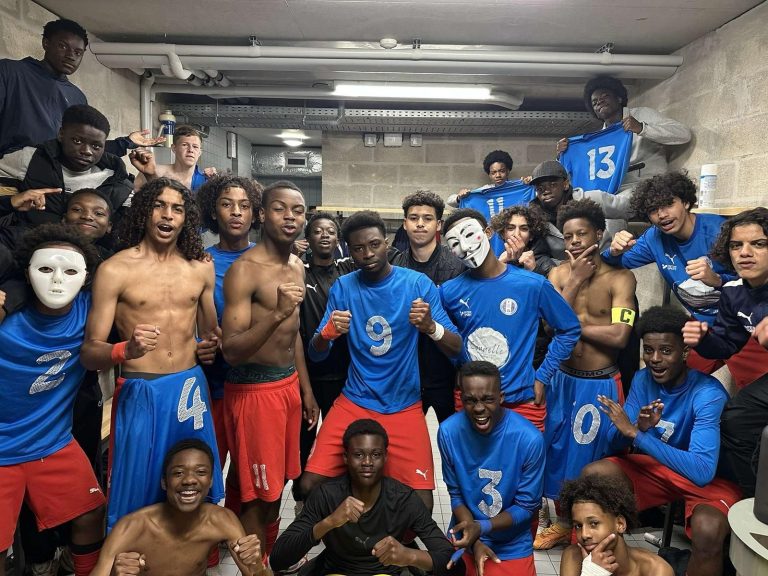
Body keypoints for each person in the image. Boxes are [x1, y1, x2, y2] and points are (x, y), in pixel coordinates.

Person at [81, 177, 224, 531]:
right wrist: (124, 349)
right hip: (141, 389)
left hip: (190, 387)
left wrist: (211, 346)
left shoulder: (200, 267)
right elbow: (89, 352)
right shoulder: (115, 269)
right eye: (159, 205)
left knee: (193, 480)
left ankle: (195, 556)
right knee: (137, 488)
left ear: (186, 218)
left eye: (177, 209)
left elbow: (211, 333)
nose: (168, 215)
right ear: (144, 212)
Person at [302, 210, 462, 511]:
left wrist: (431, 327)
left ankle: (391, 538)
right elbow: (315, 353)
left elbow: (456, 348)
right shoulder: (344, 287)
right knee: (309, 485)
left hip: (403, 404)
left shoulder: (417, 284)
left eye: (374, 245)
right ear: (348, 251)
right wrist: (327, 333)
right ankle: (346, 532)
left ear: (386, 243)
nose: (367, 254)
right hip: (355, 401)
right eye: (358, 248)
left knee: (422, 504)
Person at [584, 306, 741, 576]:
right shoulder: (643, 379)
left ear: (685, 351)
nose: (655, 359)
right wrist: (636, 427)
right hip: (659, 470)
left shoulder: (707, 393)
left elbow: (702, 471)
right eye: (648, 350)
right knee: (595, 475)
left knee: (708, 529)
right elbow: (613, 445)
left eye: (666, 351)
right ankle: (604, 569)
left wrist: (638, 435)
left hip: (707, 480)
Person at [221, 180, 319, 560]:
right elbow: (231, 350)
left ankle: (270, 559)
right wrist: (276, 313)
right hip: (254, 392)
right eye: (280, 209)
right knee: (257, 491)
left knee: (277, 483)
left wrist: (306, 391)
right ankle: (256, 565)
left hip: (288, 387)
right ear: (262, 215)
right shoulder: (244, 271)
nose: (290, 217)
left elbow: (293, 336)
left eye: (298, 210)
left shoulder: (295, 264)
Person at [0, 223, 105, 576]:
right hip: (1, 450)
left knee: (91, 513)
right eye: (45, 268)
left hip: (52, 442)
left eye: (70, 271)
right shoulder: (7, 318)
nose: (57, 280)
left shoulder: (89, 312)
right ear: (27, 273)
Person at [603, 171, 768, 390]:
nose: (662, 215)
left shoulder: (720, 231)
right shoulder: (654, 237)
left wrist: (718, 280)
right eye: (653, 209)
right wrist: (613, 251)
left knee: (754, 395)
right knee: (671, 380)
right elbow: (613, 264)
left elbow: (755, 281)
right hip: (701, 327)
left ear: (686, 202)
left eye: (668, 204)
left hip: (741, 327)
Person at [535, 200, 636, 550]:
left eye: (582, 233)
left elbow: (620, 335)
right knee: (553, 448)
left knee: (588, 456)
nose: (575, 241)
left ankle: (581, 524)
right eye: (568, 236)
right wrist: (575, 280)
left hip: (600, 382)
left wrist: (574, 325)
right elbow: (550, 326)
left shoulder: (621, 278)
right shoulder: (558, 275)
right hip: (562, 378)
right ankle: (557, 518)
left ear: (599, 233)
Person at [440, 208, 581, 432]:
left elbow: (569, 329)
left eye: (469, 235)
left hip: (521, 400)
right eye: (455, 243)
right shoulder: (449, 292)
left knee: (527, 454)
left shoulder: (532, 284)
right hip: (472, 399)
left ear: (488, 232)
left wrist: (543, 376)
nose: (464, 247)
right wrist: (458, 366)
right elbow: (447, 340)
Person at [272, 419, 463, 576]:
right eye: (358, 455)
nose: (367, 462)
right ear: (346, 457)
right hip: (336, 571)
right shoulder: (326, 495)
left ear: (385, 457)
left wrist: (409, 556)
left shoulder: (403, 499)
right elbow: (278, 559)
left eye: (376, 454)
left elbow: (455, 565)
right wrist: (329, 522)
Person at [682, 207, 768, 498]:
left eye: (758, 244)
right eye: (736, 245)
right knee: (735, 421)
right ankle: (755, 500)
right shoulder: (733, 291)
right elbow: (728, 343)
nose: (745, 253)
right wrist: (703, 339)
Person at [89, 439, 263, 576]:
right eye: (178, 473)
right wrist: (114, 574)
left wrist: (257, 566)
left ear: (210, 481)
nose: (189, 480)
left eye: (201, 472)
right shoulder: (131, 528)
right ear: (164, 482)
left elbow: (256, 573)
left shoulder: (221, 521)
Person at [438, 361, 544, 576]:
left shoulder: (529, 439)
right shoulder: (448, 432)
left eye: (488, 399)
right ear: (461, 398)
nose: (479, 408)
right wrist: (474, 537)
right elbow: (456, 495)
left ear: (501, 397)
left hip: (511, 541)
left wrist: (482, 528)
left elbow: (526, 507)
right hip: (465, 530)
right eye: (470, 400)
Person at [0, 18, 162, 158]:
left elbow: (82, 149)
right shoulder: (10, 72)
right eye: (63, 46)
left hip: (55, 176)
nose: (71, 56)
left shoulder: (76, 96)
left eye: (78, 52)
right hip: (11, 170)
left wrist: (126, 142)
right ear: (46, 43)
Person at [557, 75, 691, 240]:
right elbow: (584, 170)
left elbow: (684, 134)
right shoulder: (600, 136)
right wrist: (562, 155)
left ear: (619, 98)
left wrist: (642, 128)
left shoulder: (642, 115)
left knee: (601, 204)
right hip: (614, 191)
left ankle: (579, 200)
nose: (599, 102)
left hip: (645, 186)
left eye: (604, 96)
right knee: (603, 221)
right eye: (594, 102)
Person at [0, 104, 133, 255]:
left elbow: (135, 232)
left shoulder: (117, 182)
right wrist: (11, 201)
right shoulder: (30, 159)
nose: (87, 151)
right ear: (61, 134)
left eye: (96, 146)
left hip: (87, 261)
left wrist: (150, 176)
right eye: (77, 141)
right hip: (24, 253)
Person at [196, 175, 261, 472]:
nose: (236, 212)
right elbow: (183, 318)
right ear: (213, 211)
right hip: (213, 385)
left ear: (254, 213)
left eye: (244, 206)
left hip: (255, 385)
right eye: (227, 204)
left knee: (249, 476)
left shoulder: (267, 259)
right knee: (208, 470)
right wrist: (198, 345)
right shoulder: (200, 262)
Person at [294, 211, 354, 507]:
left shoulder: (348, 269)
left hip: (344, 376)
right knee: (304, 441)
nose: (325, 235)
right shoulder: (299, 272)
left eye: (331, 231)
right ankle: (301, 500)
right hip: (310, 374)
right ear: (308, 238)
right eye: (318, 231)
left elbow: (385, 252)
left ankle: (338, 500)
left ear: (339, 239)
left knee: (340, 443)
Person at [392, 190, 465, 422]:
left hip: (448, 373)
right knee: (405, 440)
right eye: (414, 218)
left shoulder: (458, 266)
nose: (420, 224)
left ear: (438, 225)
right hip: (406, 376)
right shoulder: (393, 267)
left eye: (428, 218)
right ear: (405, 224)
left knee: (454, 439)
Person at [558, 475, 673, 576]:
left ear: (620, 524)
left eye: (594, 523)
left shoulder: (657, 570)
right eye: (578, 526)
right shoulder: (574, 556)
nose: (584, 534)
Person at [131, 125, 216, 192]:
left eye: (195, 146)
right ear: (174, 148)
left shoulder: (205, 181)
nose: (190, 150)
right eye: (185, 145)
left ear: (200, 152)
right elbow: (134, 201)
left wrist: (216, 181)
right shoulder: (154, 171)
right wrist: (151, 177)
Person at [490, 203, 554, 276]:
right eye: (510, 228)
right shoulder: (499, 260)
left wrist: (534, 270)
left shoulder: (545, 263)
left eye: (524, 229)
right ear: (502, 234)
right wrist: (499, 265)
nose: (517, 234)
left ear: (531, 236)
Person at [528, 160, 574, 263]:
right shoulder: (534, 219)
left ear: (565, 184)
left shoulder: (591, 199)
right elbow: (538, 256)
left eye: (552, 185)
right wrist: (565, 267)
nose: (546, 191)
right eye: (540, 188)